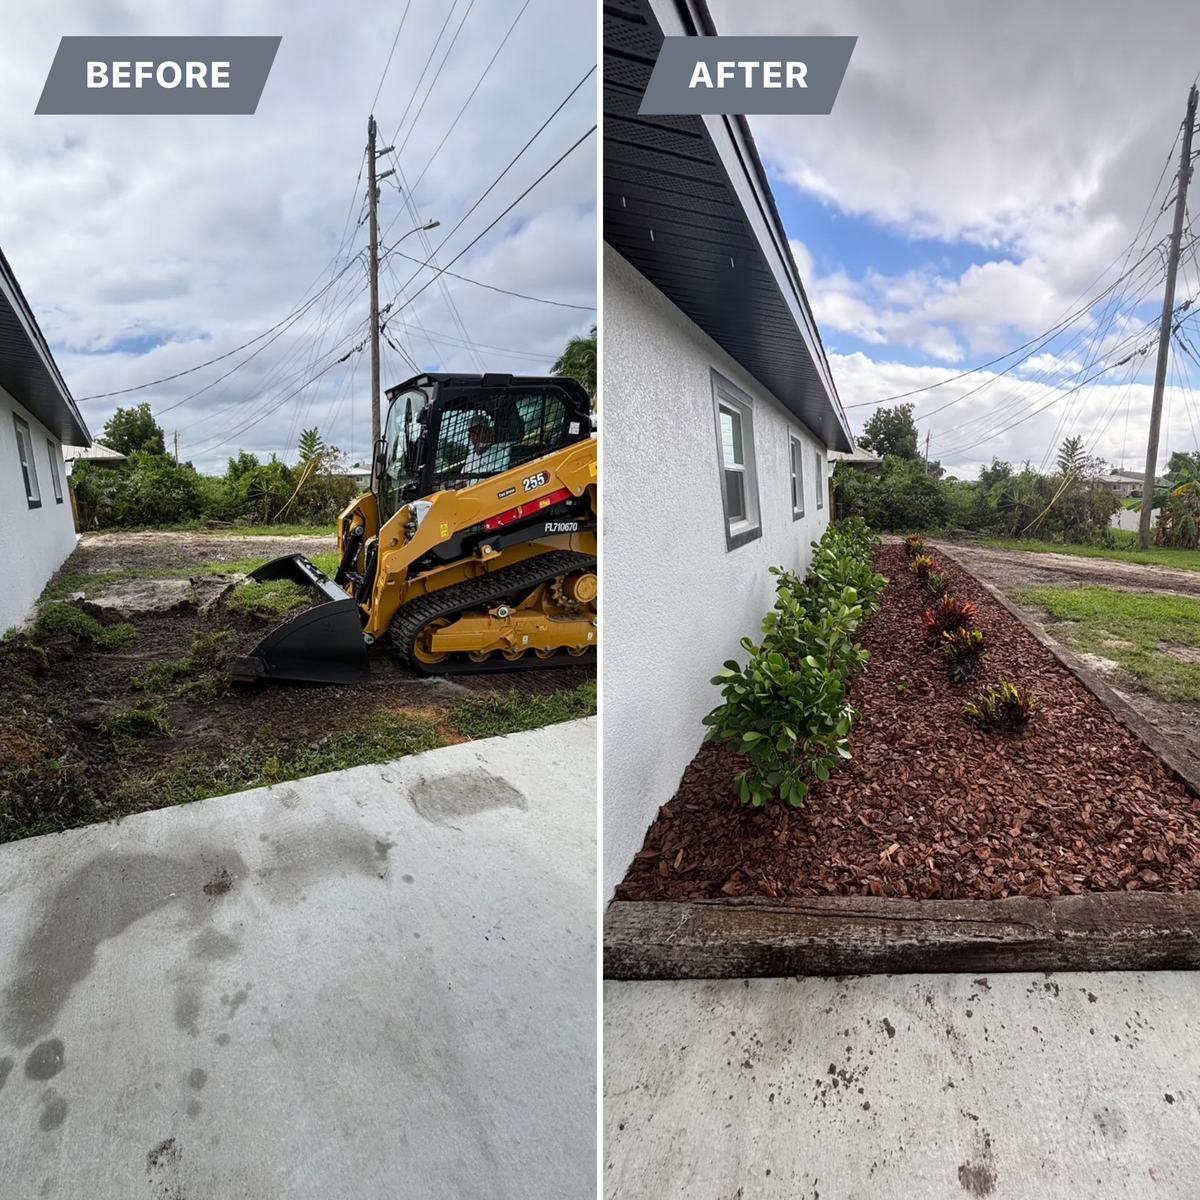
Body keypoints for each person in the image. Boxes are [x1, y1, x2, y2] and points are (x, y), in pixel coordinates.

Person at [461, 412, 510, 478]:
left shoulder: (501, 455)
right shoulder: (470, 459)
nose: (475, 436)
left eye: (479, 431)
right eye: (472, 433)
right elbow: (460, 482)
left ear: (489, 432)